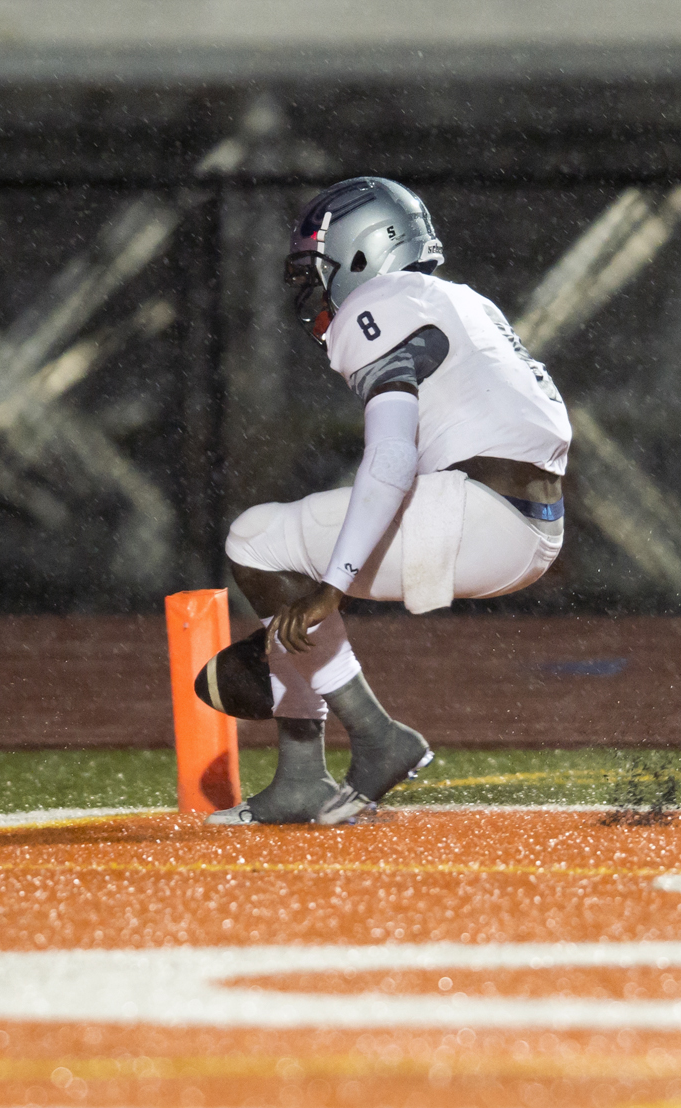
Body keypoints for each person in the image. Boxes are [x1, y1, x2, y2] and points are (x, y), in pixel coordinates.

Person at [204, 176, 571, 827]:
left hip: (477, 512)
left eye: (316, 272)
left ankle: (348, 749)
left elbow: (392, 456)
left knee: (255, 541)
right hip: (533, 524)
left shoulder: (380, 303)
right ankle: (327, 763)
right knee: (282, 553)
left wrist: (332, 587)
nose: (312, 293)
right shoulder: (461, 300)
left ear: (363, 254)